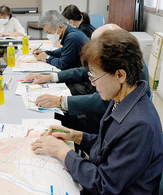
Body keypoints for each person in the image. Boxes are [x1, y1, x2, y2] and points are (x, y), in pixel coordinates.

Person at [31, 29, 163, 194]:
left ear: (120, 75)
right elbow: (109, 145)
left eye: (95, 77)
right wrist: (75, 135)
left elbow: (104, 185)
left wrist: (61, 151)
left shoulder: (140, 125)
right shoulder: (121, 99)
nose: (93, 84)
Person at [25, 24, 151, 134]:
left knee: (65, 118)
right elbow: (84, 72)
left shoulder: (137, 124)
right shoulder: (124, 61)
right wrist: (50, 77)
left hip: (102, 117)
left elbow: (102, 103)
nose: (94, 82)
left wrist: (60, 101)